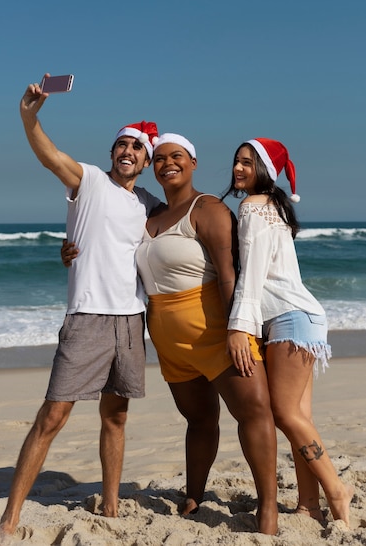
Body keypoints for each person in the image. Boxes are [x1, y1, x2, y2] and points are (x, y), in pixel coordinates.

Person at [0, 77, 161, 545]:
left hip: (131, 321)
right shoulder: (88, 180)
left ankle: (111, 505)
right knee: (52, 417)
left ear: (146, 160)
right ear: (112, 153)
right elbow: (49, 155)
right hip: (87, 317)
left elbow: (182, 225)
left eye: (136, 148)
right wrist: (29, 115)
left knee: (116, 416)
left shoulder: (148, 204)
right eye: (121, 145)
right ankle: (9, 520)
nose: (127, 151)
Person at [135, 133, 279, 535]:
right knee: (199, 421)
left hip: (218, 333)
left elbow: (229, 273)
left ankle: (267, 508)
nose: (167, 163)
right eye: (159, 158)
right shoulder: (150, 217)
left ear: (193, 162)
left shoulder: (209, 208)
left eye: (176, 156)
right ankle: (194, 496)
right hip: (170, 342)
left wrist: (240, 329)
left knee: (253, 413)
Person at [224, 137, 354, 527]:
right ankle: (309, 506)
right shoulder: (273, 207)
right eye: (236, 161)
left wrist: (237, 327)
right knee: (300, 417)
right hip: (302, 317)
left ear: (264, 169)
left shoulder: (251, 207)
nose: (238, 168)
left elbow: (252, 275)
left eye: (248, 162)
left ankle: (336, 490)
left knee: (284, 413)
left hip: (289, 319)